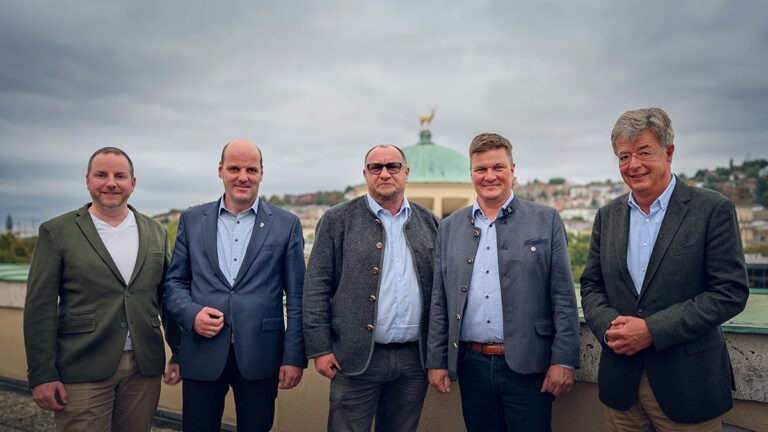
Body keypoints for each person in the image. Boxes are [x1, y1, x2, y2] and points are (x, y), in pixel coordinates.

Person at [580, 107, 750, 431]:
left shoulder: (711, 210)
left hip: (689, 387)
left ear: (668, 152)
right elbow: (591, 285)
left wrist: (651, 331)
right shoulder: (608, 215)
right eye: (624, 156)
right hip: (621, 388)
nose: (634, 165)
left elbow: (730, 292)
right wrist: (609, 328)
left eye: (644, 152)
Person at [426, 133, 580, 432]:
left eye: (498, 167)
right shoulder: (449, 227)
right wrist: (437, 360)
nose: (490, 176)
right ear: (471, 174)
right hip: (472, 366)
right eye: (481, 169)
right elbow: (439, 300)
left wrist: (565, 360)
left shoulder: (545, 219)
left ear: (512, 170)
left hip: (529, 366)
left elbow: (563, 296)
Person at [23, 147, 180, 432]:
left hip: (144, 367)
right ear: (87, 181)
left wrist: (179, 352)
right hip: (83, 366)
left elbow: (167, 297)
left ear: (133, 183)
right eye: (101, 175)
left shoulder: (155, 231)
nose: (111, 182)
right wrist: (41, 374)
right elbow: (39, 307)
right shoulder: (57, 231)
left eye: (120, 175)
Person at [163, 139, 306, 432]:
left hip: (262, 356)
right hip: (201, 353)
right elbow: (174, 283)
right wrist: (191, 315)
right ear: (220, 171)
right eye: (235, 168)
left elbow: (297, 296)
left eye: (251, 169)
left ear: (262, 173)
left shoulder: (286, 224)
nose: (243, 176)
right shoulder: (191, 220)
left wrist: (294, 357)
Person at [303, 144, 439, 432]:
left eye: (393, 166)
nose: (385, 173)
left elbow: (441, 292)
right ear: (365, 174)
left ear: (406, 172)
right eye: (376, 167)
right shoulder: (337, 220)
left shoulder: (430, 223)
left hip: (414, 360)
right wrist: (320, 348)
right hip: (353, 358)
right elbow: (316, 286)